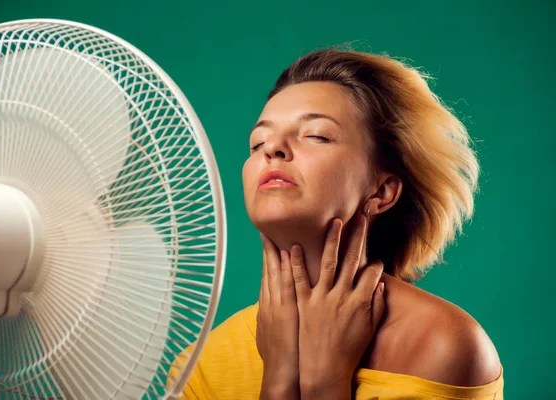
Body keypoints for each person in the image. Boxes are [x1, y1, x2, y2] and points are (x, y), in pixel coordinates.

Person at [169, 49, 503, 399]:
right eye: (258, 142)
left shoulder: (442, 344)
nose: (274, 149)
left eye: (316, 135)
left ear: (382, 191)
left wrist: (325, 383)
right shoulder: (198, 367)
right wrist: (280, 375)